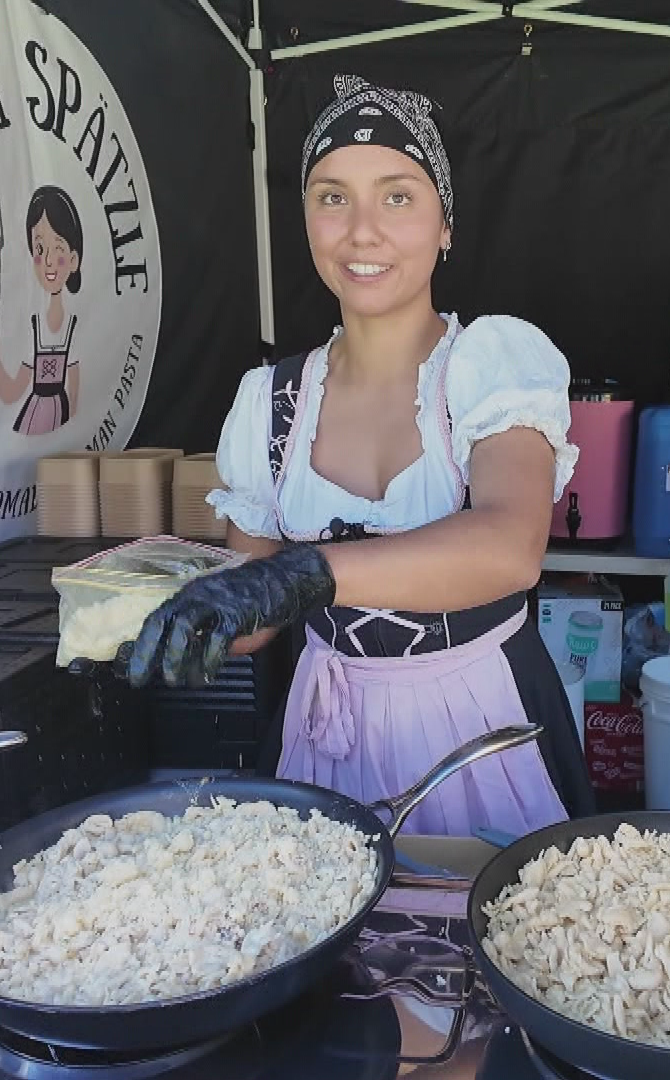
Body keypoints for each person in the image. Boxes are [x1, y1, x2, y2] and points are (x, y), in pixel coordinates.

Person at [118, 75, 597, 837]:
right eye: (333, 197)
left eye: (397, 196)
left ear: (445, 224)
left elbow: (511, 546)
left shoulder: (488, 366)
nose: (362, 231)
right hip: (326, 738)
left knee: (490, 906)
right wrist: (162, 620)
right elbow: (254, 614)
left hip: (481, 733)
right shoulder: (270, 403)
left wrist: (307, 573)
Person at [0, 185, 85, 436]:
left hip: (60, 420)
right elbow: (12, 393)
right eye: (39, 249)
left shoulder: (73, 328)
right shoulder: (34, 327)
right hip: (35, 415)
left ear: (73, 260)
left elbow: (75, 396)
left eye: (58, 248)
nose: (47, 260)